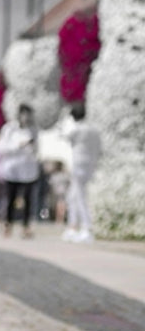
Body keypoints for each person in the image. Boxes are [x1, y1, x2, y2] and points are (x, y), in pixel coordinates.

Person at [0, 103, 40, 238]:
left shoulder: (33, 130)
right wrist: (19, 145)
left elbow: (37, 149)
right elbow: (3, 148)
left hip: (28, 169)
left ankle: (26, 226)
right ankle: (7, 224)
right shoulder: (9, 129)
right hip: (12, 169)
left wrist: (31, 147)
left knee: (28, 199)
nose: (26, 118)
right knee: (10, 198)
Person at [61, 104, 101, 243]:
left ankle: (86, 227)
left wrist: (66, 119)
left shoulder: (76, 129)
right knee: (73, 196)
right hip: (89, 165)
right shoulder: (93, 130)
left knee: (80, 197)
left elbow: (64, 135)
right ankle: (72, 227)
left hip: (79, 166)